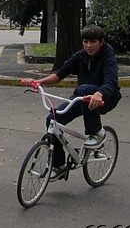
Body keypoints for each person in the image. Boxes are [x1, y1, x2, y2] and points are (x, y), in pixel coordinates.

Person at [20, 24, 121, 180]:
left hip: (105, 97)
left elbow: (111, 82)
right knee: (52, 119)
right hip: (84, 97)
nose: (88, 45)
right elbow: (60, 74)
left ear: (101, 42)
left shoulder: (108, 57)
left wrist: (99, 94)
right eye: (85, 41)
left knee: (84, 88)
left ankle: (97, 133)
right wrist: (38, 81)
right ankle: (59, 165)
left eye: (92, 42)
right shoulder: (81, 56)